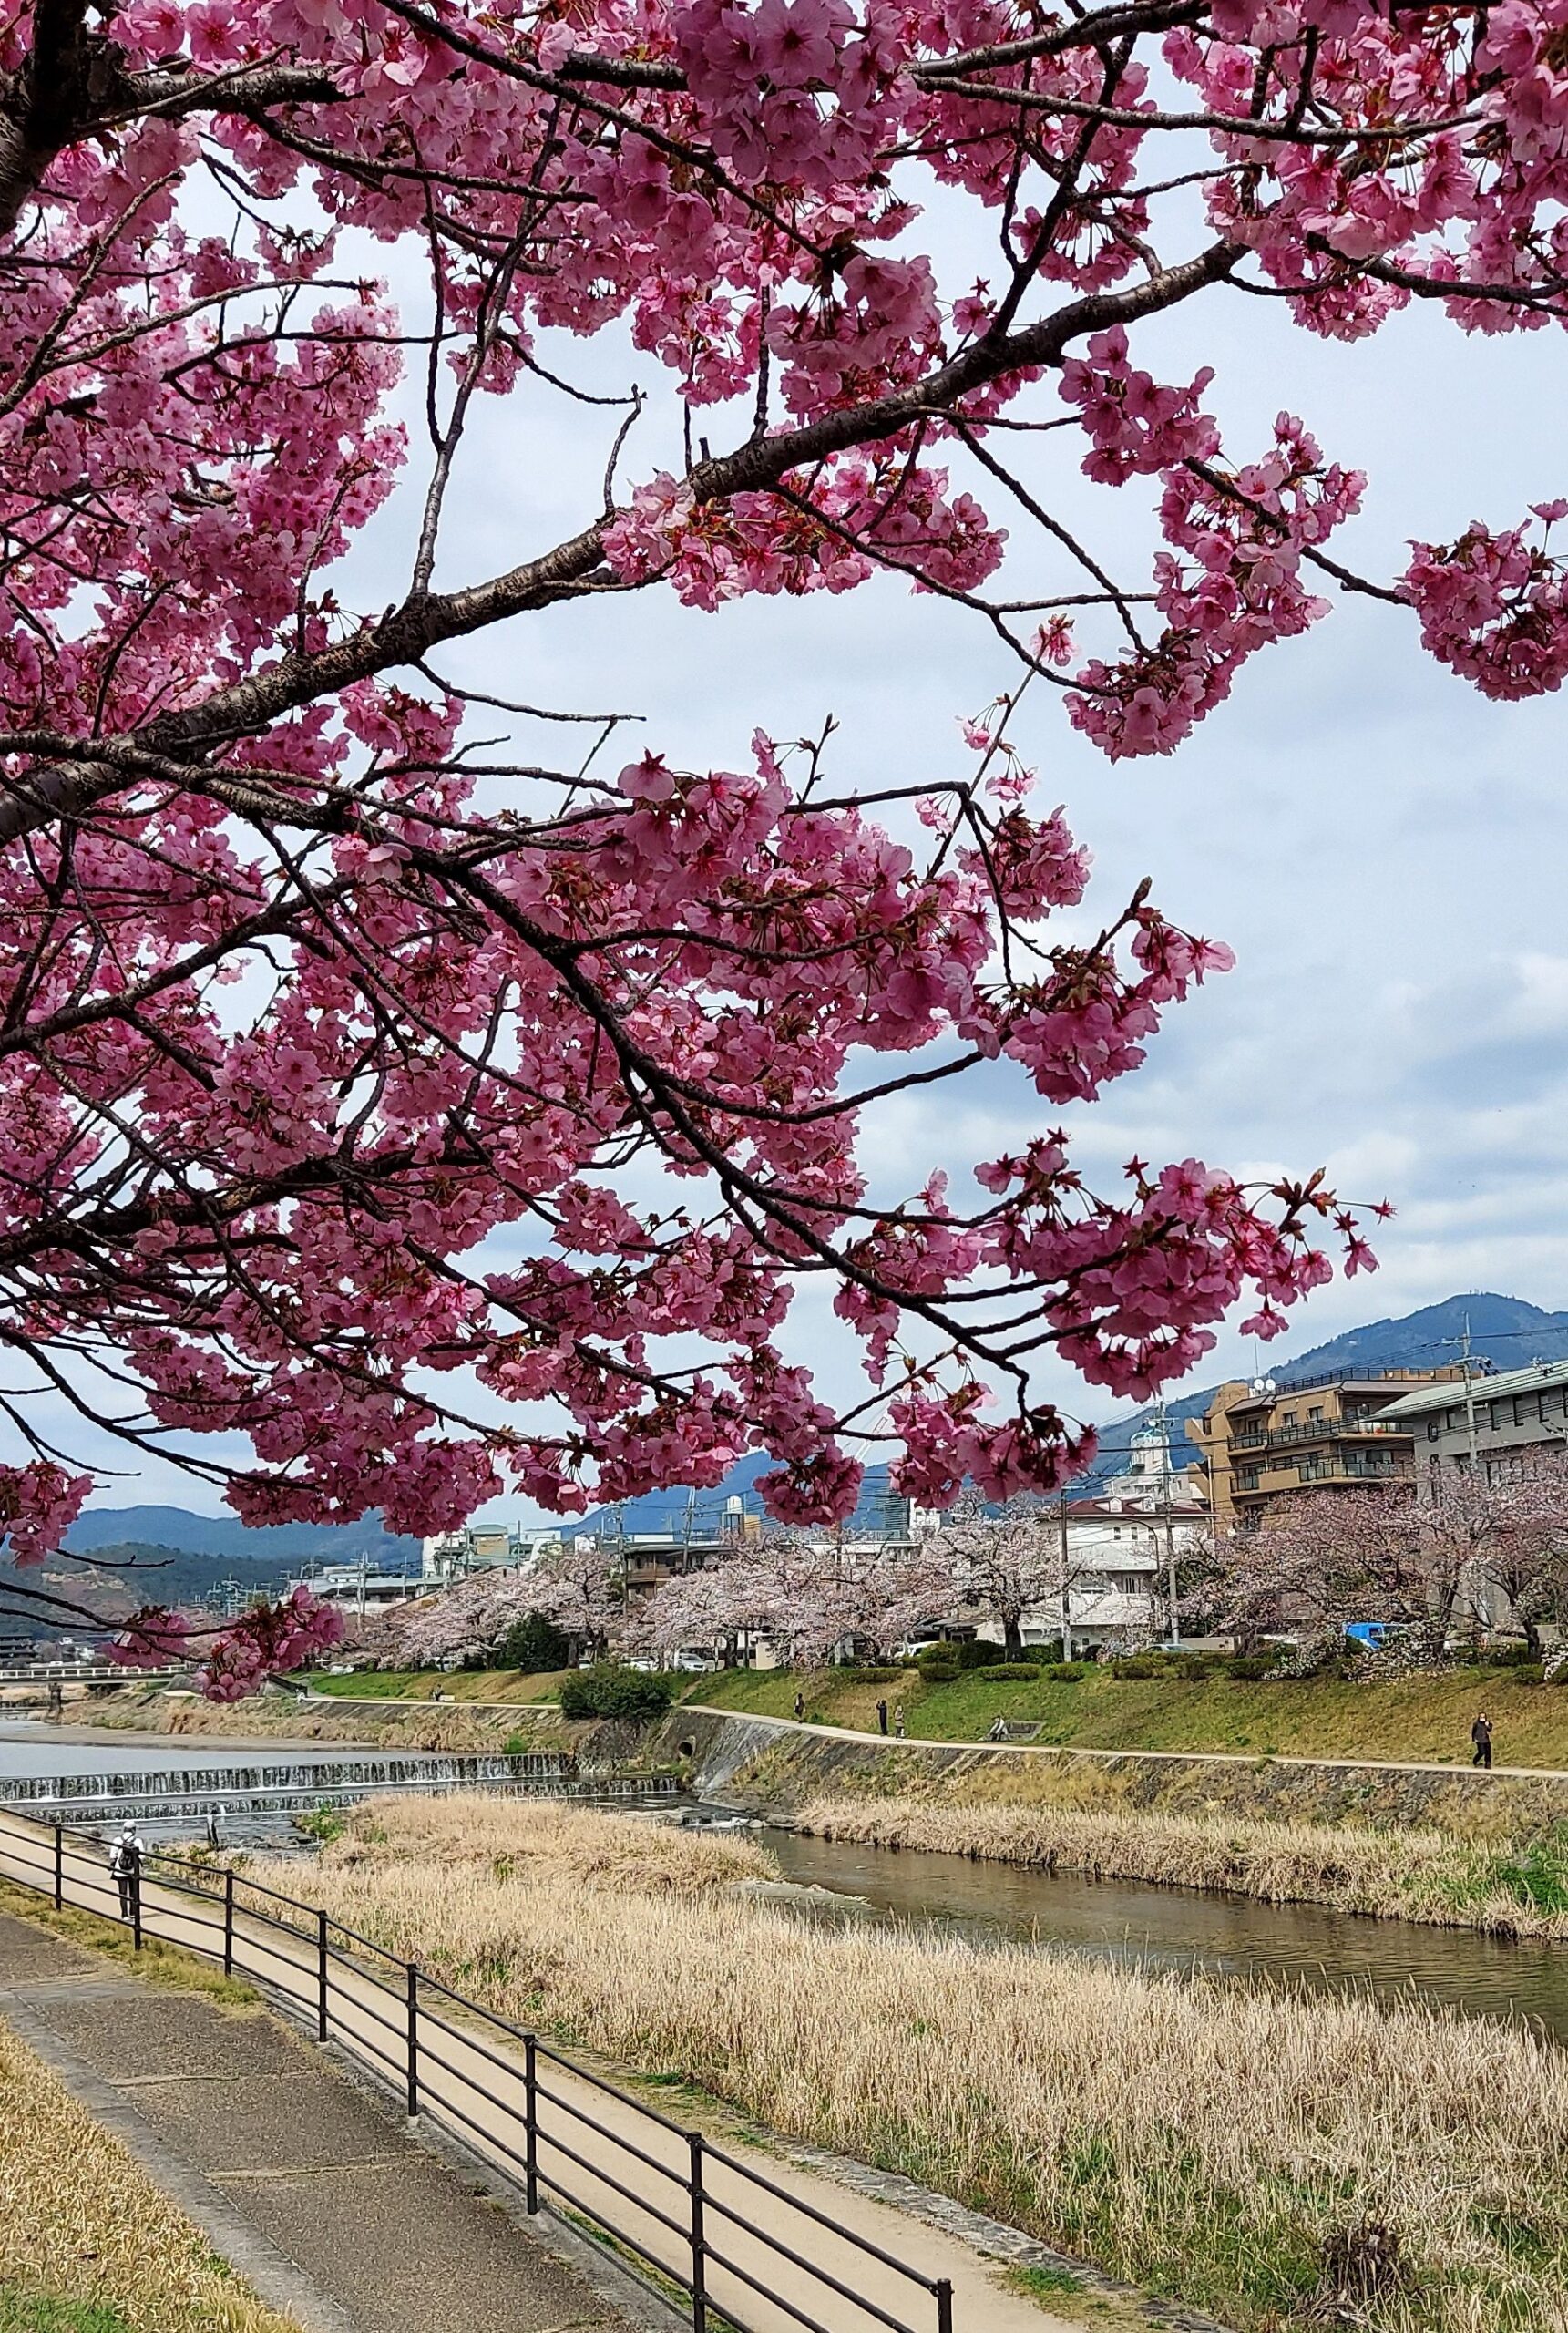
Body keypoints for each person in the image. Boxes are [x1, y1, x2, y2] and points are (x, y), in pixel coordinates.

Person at [108, 1820, 145, 1920]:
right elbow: (142, 1857)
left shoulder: (117, 1840)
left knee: (123, 1893)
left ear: (124, 1829)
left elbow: (112, 1855)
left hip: (120, 1870)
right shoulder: (137, 1841)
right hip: (134, 1871)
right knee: (134, 1893)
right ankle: (133, 1912)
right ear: (133, 1830)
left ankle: (124, 1915)